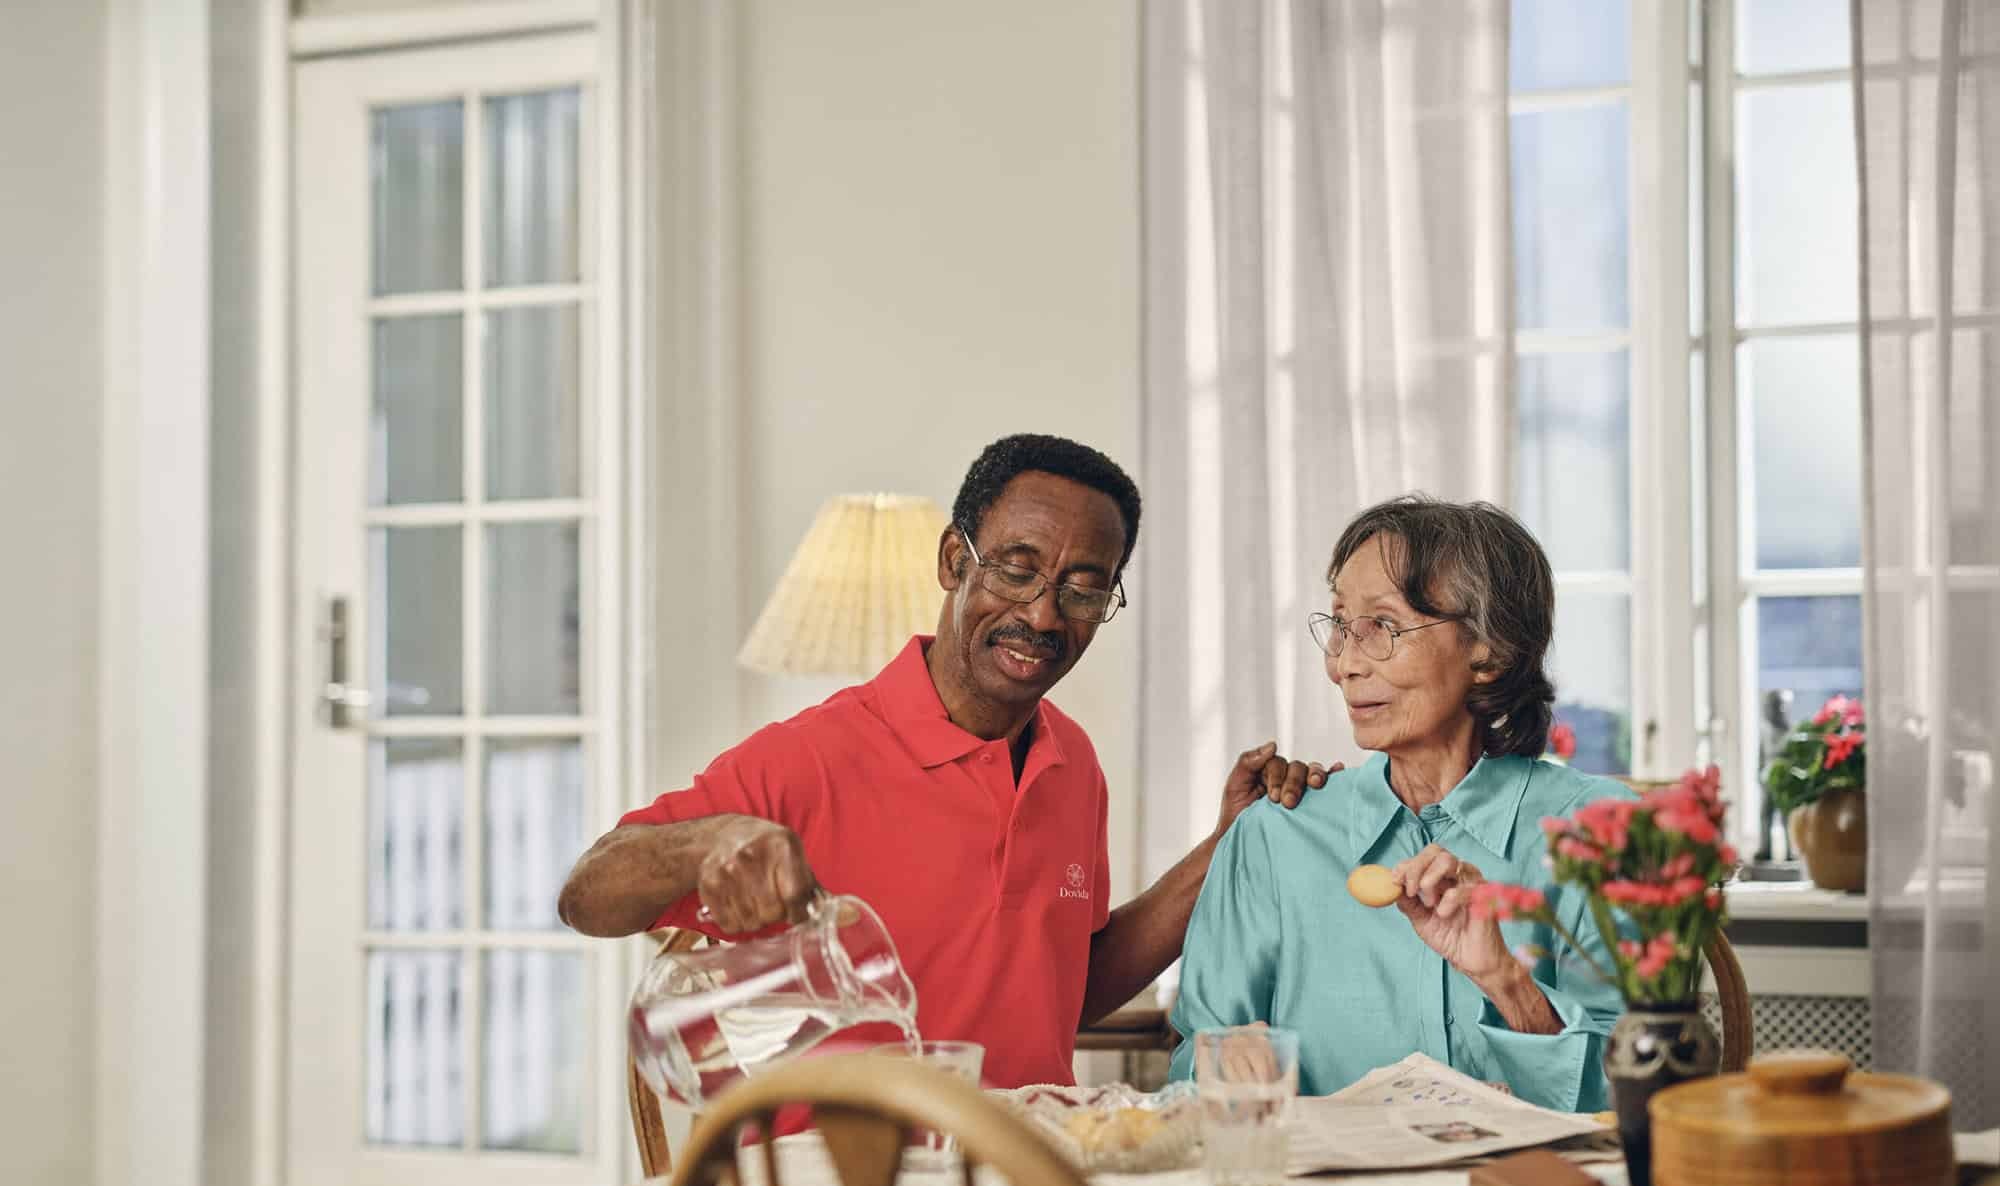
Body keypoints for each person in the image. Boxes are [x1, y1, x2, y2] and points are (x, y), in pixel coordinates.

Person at [560, 433, 1332, 1088]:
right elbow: (587, 895)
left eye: (1082, 590)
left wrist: (1230, 846)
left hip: (1026, 1180)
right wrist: (709, 842)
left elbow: (1065, 989)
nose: (1041, 615)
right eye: (1016, 569)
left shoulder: (1072, 763)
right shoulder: (813, 756)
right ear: (952, 562)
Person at [1167, 496, 1634, 1112]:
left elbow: (1636, 1097)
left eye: (1383, 627)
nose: (1345, 665)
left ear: (1489, 649)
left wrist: (1507, 982)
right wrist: (1224, 1063)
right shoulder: (1275, 835)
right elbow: (1191, 1068)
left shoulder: (1600, 833)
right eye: (1339, 625)